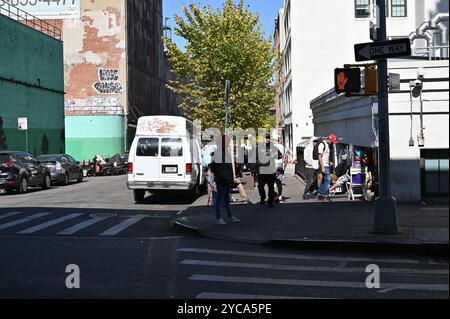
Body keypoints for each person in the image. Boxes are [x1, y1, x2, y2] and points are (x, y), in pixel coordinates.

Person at [210, 136, 240, 226]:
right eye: (227, 142)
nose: (228, 144)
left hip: (225, 179)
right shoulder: (219, 153)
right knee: (220, 199)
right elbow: (220, 168)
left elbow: (227, 168)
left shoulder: (224, 152)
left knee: (226, 198)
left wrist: (230, 178)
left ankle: (228, 216)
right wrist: (227, 178)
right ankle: (219, 217)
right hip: (222, 179)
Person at [257, 134, 278, 207]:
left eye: (268, 138)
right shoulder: (259, 147)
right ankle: (262, 198)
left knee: (271, 187)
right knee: (260, 186)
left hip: (270, 170)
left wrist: (274, 155)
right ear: (263, 139)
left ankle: (270, 200)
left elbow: (279, 155)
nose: (267, 139)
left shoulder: (273, 147)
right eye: (266, 138)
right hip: (262, 170)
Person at [317, 134, 339, 202]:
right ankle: (326, 196)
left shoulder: (328, 145)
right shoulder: (322, 145)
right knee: (328, 180)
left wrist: (329, 162)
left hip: (327, 164)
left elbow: (325, 156)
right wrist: (323, 167)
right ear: (329, 139)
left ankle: (320, 195)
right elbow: (320, 156)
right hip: (324, 165)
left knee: (324, 181)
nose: (332, 143)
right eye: (332, 141)